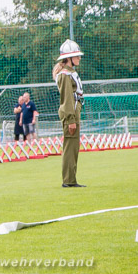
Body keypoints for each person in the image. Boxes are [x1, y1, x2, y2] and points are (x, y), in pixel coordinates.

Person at [53, 39, 86, 188]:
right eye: (76, 56)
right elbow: (66, 98)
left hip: (74, 109)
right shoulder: (65, 74)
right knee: (70, 147)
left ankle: (71, 179)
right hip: (70, 112)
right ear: (69, 58)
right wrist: (71, 119)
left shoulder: (70, 73)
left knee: (73, 147)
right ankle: (68, 180)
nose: (79, 58)